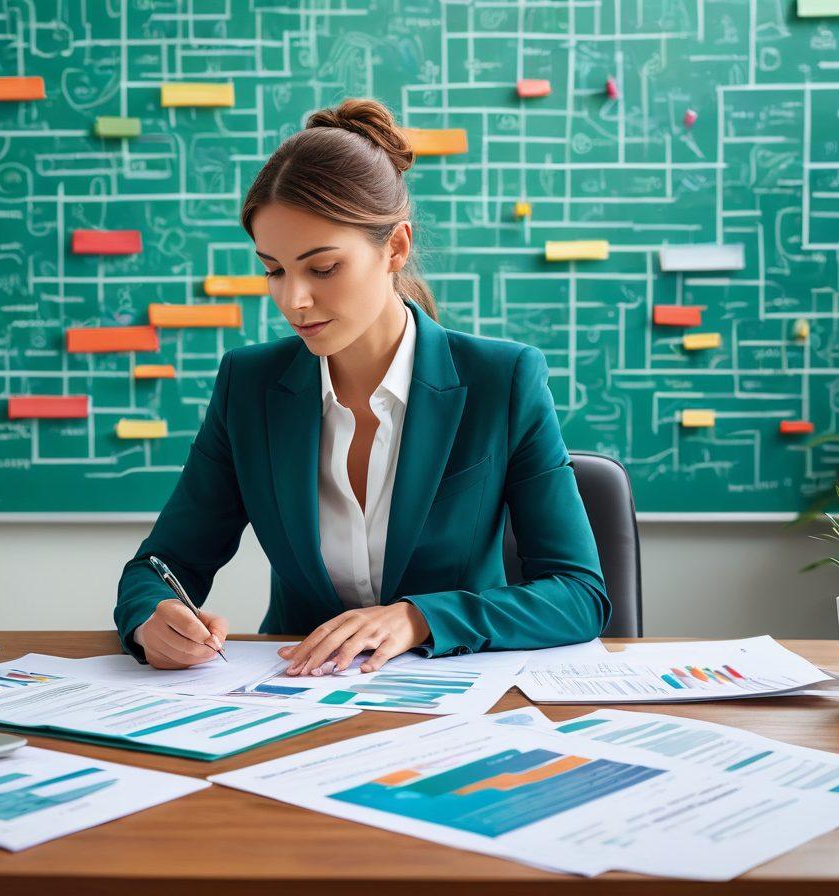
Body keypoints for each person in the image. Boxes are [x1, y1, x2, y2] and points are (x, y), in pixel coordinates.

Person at [115, 97, 610, 676]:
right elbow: (160, 565)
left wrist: (419, 618)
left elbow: (579, 594)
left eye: (322, 268)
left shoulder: (502, 381)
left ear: (395, 247)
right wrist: (152, 618)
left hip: (452, 693)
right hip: (294, 694)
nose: (293, 300)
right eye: (274, 269)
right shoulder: (247, 387)